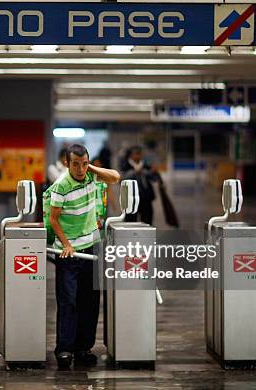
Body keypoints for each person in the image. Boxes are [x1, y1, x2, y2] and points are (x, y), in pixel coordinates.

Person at [48, 144, 120, 369]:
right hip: (69, 253)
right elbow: (53, 218)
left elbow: (115, 177)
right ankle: (64, 350)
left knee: (90, 301)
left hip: (92, 249)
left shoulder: (91, 176)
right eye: (76, 164)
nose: (80, 169)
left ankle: (83, 348)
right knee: (68, 300)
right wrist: (67, 245)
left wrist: (93, 169)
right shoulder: (61, 185)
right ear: (67, 164)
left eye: (84, 163)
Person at [122, 145, 161, 225]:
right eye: (135, 154)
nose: (138, 156)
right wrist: (136, 172)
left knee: (147, 220)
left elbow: (154, 178)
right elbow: (123, 178)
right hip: (131, 198)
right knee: (131, 221)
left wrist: (154, 172)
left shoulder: (145, 165)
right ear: (131, 155)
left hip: (145, 197)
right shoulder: (125, 165)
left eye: (139, 154)